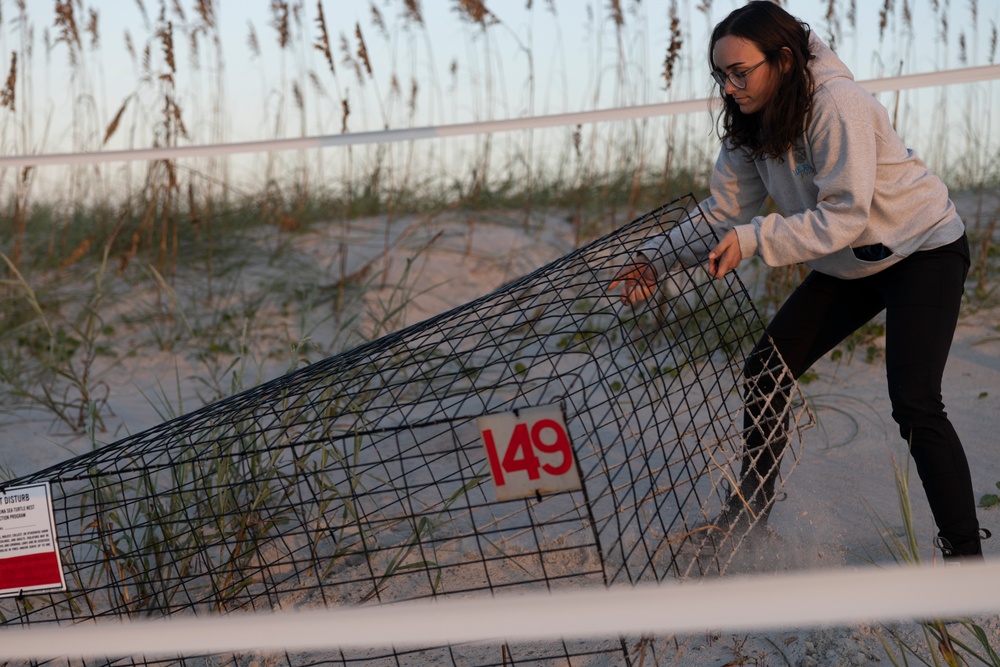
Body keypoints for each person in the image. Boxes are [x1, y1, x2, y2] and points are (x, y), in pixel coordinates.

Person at [609, 0, 989, 560]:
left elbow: (846, 214)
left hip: (921, 247)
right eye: (721, 75)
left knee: (914, 401)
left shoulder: (838, 104)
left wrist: (756, 240)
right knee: (767, 369)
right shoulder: (749, 119)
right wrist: (654, 260)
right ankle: (749, 521)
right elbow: (724, 210)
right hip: (849, 261)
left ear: (783, 60)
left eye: (741, 72)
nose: (730, 87)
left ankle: (965, 557)